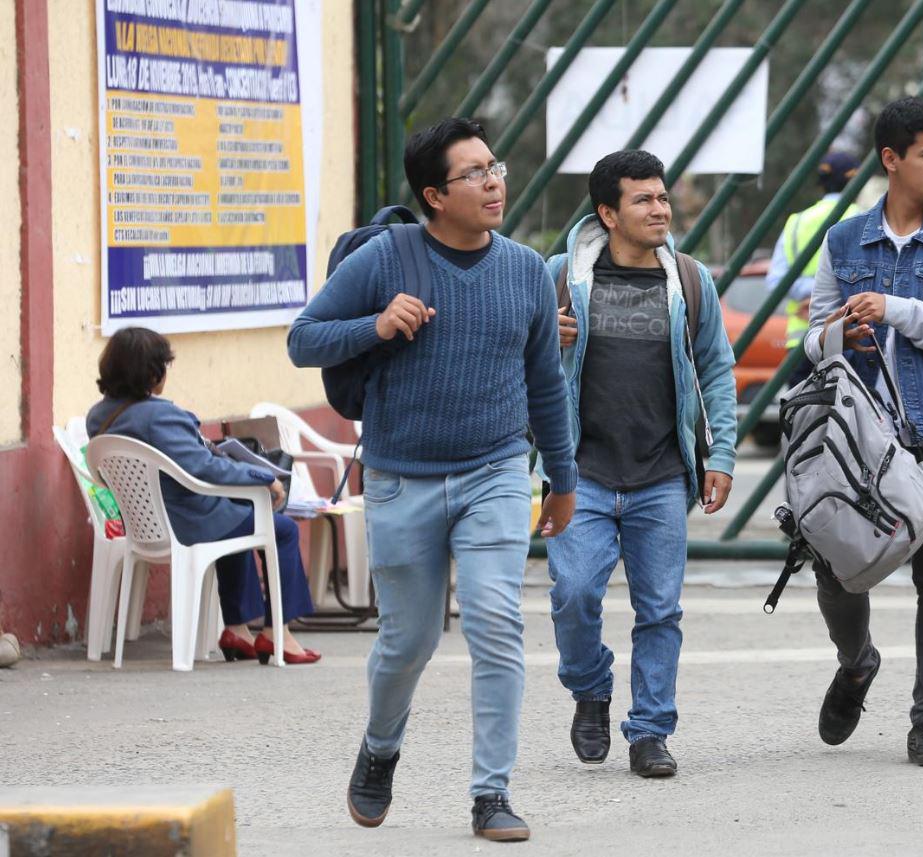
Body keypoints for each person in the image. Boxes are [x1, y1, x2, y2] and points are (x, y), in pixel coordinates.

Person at [287, 117, 576, 843]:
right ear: (432, 195)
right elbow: (302, 338)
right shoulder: (387, 258)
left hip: (496, 470)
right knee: (406, 642)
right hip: (400, 479)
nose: (493, 182)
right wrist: (375, 325)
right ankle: (380, 747)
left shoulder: (526, 270)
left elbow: (545, 382)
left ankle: (491, 791)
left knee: (494, 622)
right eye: (473, 173)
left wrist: (564, 476)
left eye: (494, 167)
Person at [801, 97, 923, 767]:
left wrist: (896, 309)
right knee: (834, 564)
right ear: (892, 159)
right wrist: (837, 333)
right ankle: (855, 663)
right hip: (855, 435)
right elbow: (811, 337)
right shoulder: (841, 240)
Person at [546, 150, 737, 778]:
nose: (660, 209)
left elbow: (715, 370)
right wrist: (545, 337)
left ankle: (651, 731)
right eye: (644, 200)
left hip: (661, 476)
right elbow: (511, 361)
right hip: (582, 474)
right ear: (608, 212)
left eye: (662, 197)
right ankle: (591, 685)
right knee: (574, 595)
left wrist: (722, 454)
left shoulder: (688, 279)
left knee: (660, 611)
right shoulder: (558, 279)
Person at [86, 327, 319, 665]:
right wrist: (263, 477)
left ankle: (237, 630)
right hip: (185, 522)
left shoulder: (99, 417)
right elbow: (205, 468)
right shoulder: (160, 416)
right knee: (282, 528)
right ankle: (278, 634)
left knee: (236, 514)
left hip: (144, 523)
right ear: (153, 373)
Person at [766, 151, 864, 385]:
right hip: (851, 336)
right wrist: (833, 297)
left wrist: (815, 297)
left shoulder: (797, 221)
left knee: (802, 417)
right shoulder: (864, 220)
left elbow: (775, 281)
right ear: (855, 181)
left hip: (802, 339)